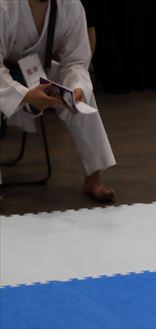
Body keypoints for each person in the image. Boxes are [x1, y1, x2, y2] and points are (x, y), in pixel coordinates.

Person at [0, 0, 116, 201]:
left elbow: (76, 61)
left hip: (36, 70)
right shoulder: (4, 7)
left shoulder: (71, 5)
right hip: (6, 75)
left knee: (83, 97)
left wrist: (77, 87)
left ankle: (93, 178)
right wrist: (24, 95)